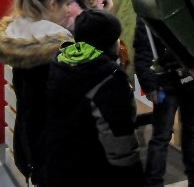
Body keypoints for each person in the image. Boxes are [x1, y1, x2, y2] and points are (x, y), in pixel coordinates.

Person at [43, 10, 143, 186]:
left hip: (59, 162)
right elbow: (117, 135)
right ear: (108, 42)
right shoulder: (109, 77)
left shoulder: (61, 61)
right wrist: (132, 174)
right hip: (95, 169)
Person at [0, 0, 75, 185]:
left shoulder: (18, 31)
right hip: (53, 141)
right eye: (67, 3)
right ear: (53, 3)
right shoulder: (59, 41)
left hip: (27, 135)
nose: (69, 10)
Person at [134, 16, 194, 187]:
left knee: (193, 131)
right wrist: (150, 85)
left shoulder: (184, 3)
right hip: (166, 82)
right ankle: (154, 183)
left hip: (193, 78)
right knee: (161, 136)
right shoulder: (148, 13)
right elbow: (142, 50)